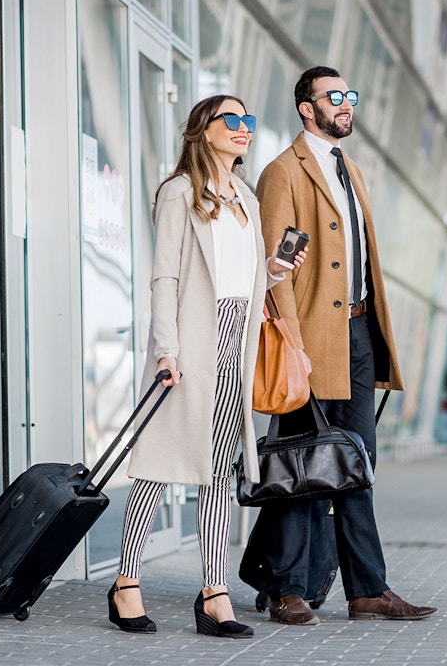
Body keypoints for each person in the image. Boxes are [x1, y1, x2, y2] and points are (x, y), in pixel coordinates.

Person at [106, 94, 307, 638]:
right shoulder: (179, 193)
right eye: (231, 120)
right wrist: (166, 350)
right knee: (157, 466)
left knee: (219, 470)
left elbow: (250, 279)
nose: (244, 128)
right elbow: (165, 276)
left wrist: (275, 266)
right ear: (202, 129)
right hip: (193, 339)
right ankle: (126, 582)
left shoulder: (247, 197)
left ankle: (214, 591)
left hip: (238, 341)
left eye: (248, 121)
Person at [245, 66, 437, 625]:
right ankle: (286, 588)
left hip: (356, 333)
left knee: (357, 463)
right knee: (299, 462)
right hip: (309, 338)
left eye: (350, 95)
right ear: (307, 108)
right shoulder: (283, 172)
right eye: (334, 96)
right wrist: (292, 341)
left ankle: (367, 590)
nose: (346, 103)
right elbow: (276, 269)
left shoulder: (351, 169)